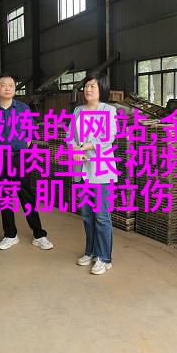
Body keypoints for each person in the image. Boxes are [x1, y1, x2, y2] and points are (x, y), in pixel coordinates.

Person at [0, 73, 53, 251]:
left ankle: (39, 235)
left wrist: (22, 149)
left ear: (15, 89)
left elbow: (30, 133)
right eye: (3, 85)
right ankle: (10, 235)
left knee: (26, 195)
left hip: (20, 158)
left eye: (11, 85)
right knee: (5, 197)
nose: (7, 88)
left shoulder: (23, 109)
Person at [70, 73, 117, 275]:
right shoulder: (78, 111)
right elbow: (70, 137)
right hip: (81, 170)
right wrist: (75, 149)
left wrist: (85, 147)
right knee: (87, 215)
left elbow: (108, 137)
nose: (88, 90)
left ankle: (104, 258)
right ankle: (90, 252)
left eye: (92, 86)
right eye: (86, 86)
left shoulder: (109, 110)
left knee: (101, 216)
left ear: (101, 89)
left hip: (101, 171)